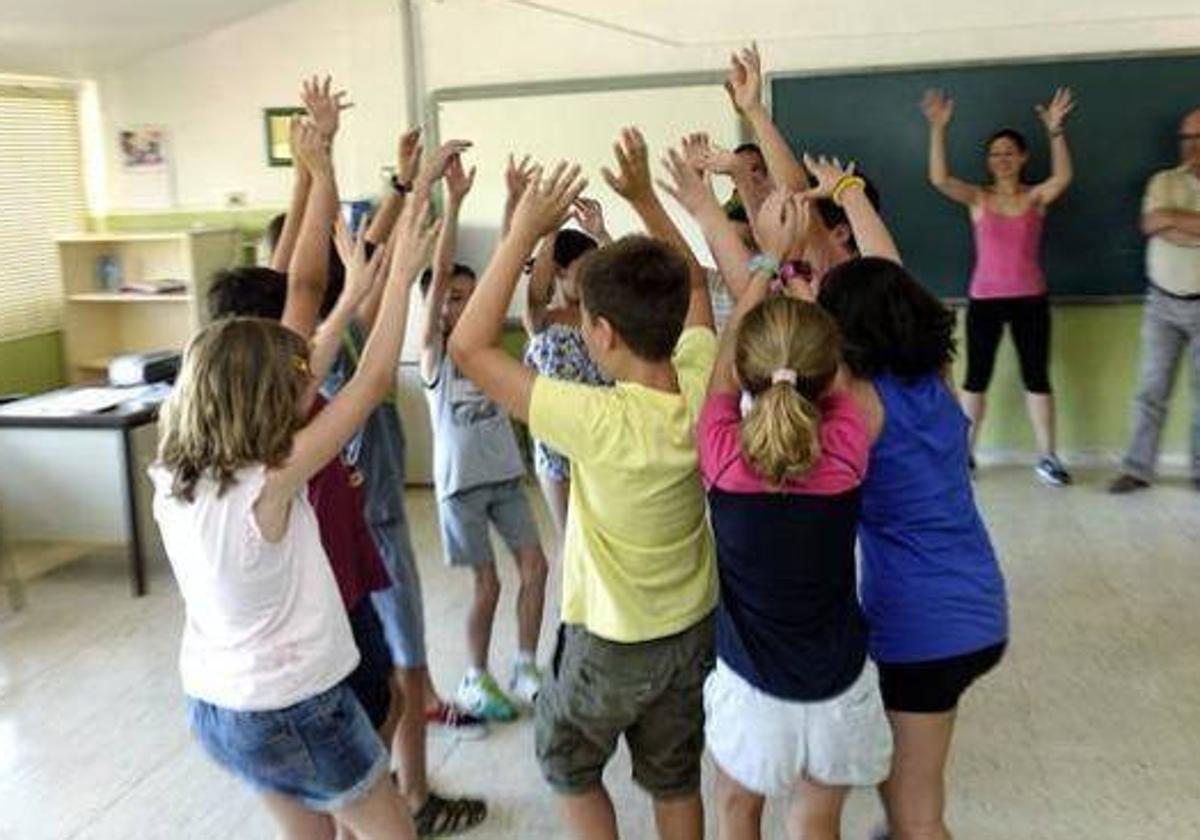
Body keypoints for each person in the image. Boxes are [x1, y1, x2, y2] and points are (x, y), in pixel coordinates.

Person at [206, 80, 488, 835]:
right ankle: (406, 799)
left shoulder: (197, 437)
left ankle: (402, 788)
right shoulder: (288, 434)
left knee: (379, 712)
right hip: (315, 638)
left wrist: (322, 173)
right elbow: (313, 303)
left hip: (240, 687)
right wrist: (328, 175)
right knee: (368, 737)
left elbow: (302, 282)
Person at [149, 130, 437, 837]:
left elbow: (308, 359)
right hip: (297, 707)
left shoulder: (174, 470)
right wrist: (397, 280)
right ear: (267, 400)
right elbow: (367, 384)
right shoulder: (271, 480)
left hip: (217, 709)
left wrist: (353, 295)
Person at [450, 132, 717, 840]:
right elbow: (694, 286)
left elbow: (468, 348)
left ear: (598, 333)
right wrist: (643, 200)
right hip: (690, 630)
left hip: (609, 644)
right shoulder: (699, 380)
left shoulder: (597, 420)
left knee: (570, 767)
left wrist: (521, 234)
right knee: (675, 778)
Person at [696, 189, 892, 840]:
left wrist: (765, 265)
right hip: (839, 684)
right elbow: (829, 384)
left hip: (753, 688)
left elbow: (724, 371)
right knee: (816, 825)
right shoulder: (848, 445)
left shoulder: (724, 458)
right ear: (824, 364)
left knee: (736, 811)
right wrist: (812, 315)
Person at [817, 252, 1008, 840]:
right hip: (979, 609)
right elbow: (895, 269)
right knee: (907, 798)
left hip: (923, 635)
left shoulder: (858, 402)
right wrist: (848, 198)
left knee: (915, 813)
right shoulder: (938, 379)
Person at [418, 151, 549, 720]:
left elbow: (503, 263)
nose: (461, 303)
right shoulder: (434, 357)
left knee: (536, 568)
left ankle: (525, 663)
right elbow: (440, 276)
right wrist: (454, 204)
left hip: (503, 478)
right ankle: (476, 676)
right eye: (451, 297)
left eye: (469, 297)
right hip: (460, 488)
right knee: (487, 585)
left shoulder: (486, 349)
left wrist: (515, 204)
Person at [921, 87, 1077, 485]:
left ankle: (1048, 457)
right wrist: (938, 128)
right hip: (985, 300)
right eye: (995, 154)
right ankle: (965, 455)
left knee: (1036, 377)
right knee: (976, 379)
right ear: (988, 162)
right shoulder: (978, 198)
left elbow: (1063, 177)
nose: (1002, 159)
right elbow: (938, 178)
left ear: (1022, 157)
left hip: (1030, 299)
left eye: (1009, 152)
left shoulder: (1035, 197)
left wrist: (1056, 131)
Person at [1109, 108, 1200, 494]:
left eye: (1199, 138)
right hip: (1161, 302)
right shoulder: (1162, 180)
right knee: (1150, 390)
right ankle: (1138, 469)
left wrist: (1173, 222)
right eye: (1187, 138)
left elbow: (1166, 223)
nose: (1192, 146)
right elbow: (1151, 224)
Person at [522, 212, 610, 539]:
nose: (593, 279)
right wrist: (551, 232)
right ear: (558, 271)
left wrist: (601, 233)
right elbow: (535, 294)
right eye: (585, 271)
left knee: (601, 540)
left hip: (601, 443)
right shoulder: (542, 319)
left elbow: (626, 281)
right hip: (557, 452)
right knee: (571, 540)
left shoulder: (602, 317)